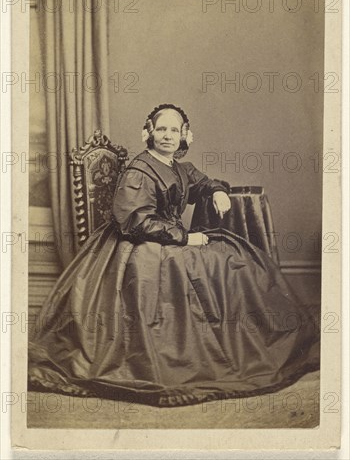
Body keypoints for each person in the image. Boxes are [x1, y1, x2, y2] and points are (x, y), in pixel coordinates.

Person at [28, 103, 319, 407]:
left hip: (166, 238)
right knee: (189, 266)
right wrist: (184, 237)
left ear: (184, 136)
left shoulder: (180, 169)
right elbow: (135, 220)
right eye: (161, 129)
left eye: (174, 130)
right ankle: (185, 354)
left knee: (235, 257)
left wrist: (217, 191)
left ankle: (246, 342)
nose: (167, 135)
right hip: (138, 244)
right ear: (149, 132)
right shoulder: (138, 170)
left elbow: (204, 182)